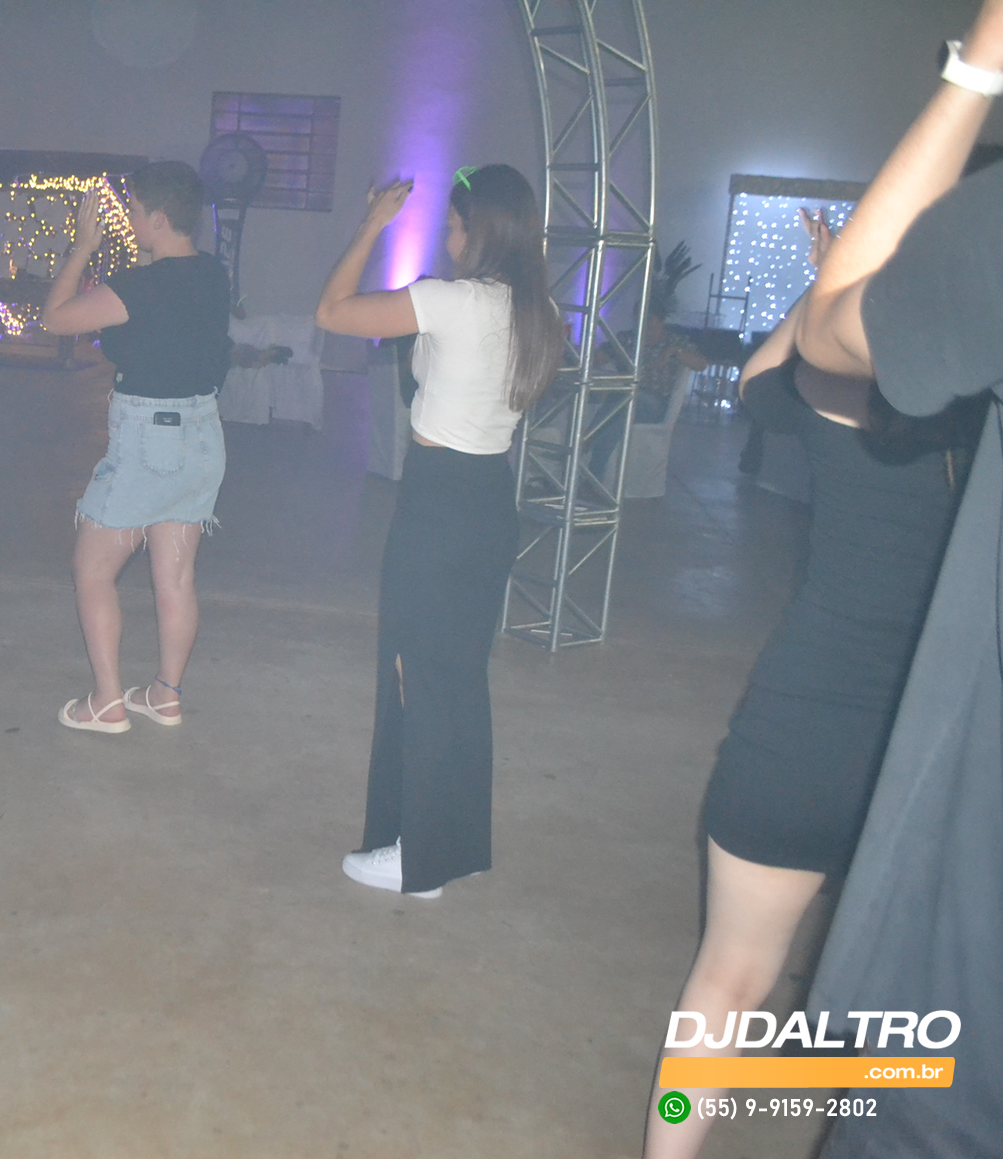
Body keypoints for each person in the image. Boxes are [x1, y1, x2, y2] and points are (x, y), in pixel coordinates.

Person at [642, 226, 982, 1159]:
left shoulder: (841, 400)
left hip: (803, 737)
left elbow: (759, 381)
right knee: (920, 1019)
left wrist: (830, 281)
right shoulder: (981, 439)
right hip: (942, 764)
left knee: (728, 981)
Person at [792, 2, 1003, 1152]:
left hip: (958, 970)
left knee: (734, 978)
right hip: (878, 716)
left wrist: (973, 74)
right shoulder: (946, 441)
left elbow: (826, 335)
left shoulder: (873, 385)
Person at [315, 165, 560, 897]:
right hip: (487, 499)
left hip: (441, 503)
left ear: (480, 230)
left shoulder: (458, 302)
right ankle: (442, 845)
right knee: (454, 676)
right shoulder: (537, 309)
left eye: (454, 226)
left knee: (417, 670)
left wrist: (372, 224)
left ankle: (420, 860)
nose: (449, 238)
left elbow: (332, 312)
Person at [41, 165, 230, 733]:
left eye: (136, 210)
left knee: (92, 569)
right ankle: (165, 695)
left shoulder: (139, 287)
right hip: (203, 433)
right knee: (176, 576)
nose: (129, 218)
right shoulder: (213, 274)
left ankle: (107, 701)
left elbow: (55, 319)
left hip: (151, 436)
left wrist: (82, 247)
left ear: (160, 219)